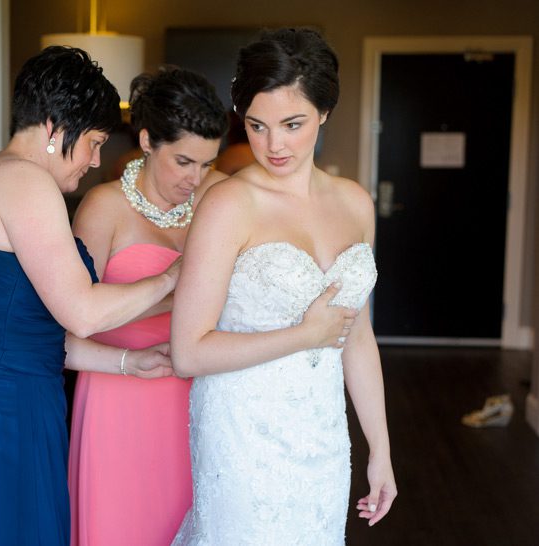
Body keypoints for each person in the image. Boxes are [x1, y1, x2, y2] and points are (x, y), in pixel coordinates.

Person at [0, 46, 181, 546]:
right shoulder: (25, 183)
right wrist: (175, 277)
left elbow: (26, 335)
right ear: (53, 127)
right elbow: (82, 312)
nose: (95, 160)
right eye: (93, 142)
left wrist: (128, 362)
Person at [170, 28, 397, 544]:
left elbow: (356, 335)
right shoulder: (228, 205)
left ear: (324, 112)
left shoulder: (355, 203)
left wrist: (379, 451)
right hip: (243, 436)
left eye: (292, 124)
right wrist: (304, 335)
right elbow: (188, 352)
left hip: (321, 437)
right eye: (256, 126)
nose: (273, 145)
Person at [66, 67, 228, 546]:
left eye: (207, 163)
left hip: (195, 391)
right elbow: (70, 318)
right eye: (183, 161)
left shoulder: (218, 197)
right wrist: (176, 297)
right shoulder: (103, 208)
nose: (195, 178)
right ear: (146, 141)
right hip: (116, 390)